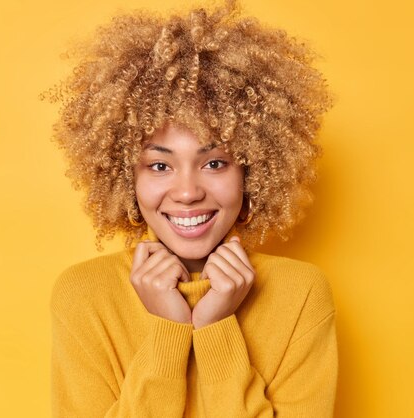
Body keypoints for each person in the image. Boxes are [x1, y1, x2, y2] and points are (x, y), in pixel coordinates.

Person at [41, 0, 337, 416]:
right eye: (160, 165)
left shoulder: (301, 294)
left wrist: (215, 329)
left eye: (214, 163)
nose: (186, 192)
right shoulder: (84, 296)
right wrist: (170, 332)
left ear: (252, 169)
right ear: (127, 177)